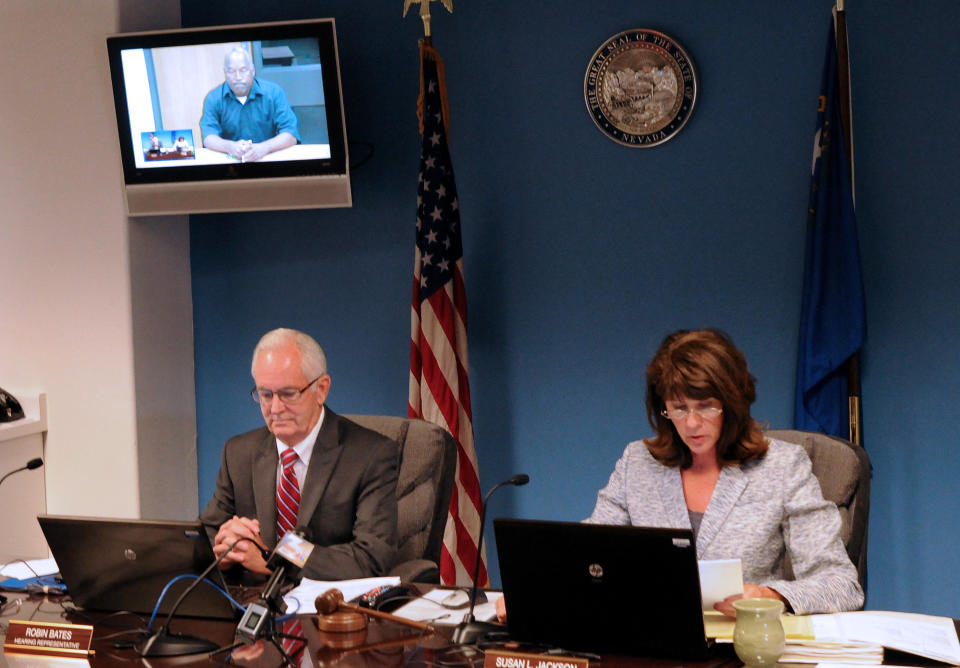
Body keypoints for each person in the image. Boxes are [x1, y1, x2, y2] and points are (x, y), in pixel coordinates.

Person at [496, 328, 863, 622]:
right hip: (650, 643)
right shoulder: (638, 463)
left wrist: (772, 596)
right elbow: (588, 554)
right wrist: (535, 594)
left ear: (732, 404)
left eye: (706, 406)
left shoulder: (783, 467)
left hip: (737, 650)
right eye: (679, 407)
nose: (692, 423)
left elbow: (841, 585)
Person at [200, 328, 399, 581]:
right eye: (265, 394)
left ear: (321, 389)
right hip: (252, 607)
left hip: (331, 612)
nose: (275, 408)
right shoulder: (239, 453)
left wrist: (272, 558)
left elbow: (371, 559)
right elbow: (204, 538)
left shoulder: (371, 455)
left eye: (288, 394)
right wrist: (226, 549)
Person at [199, 47, 300, 162]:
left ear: (253, 70)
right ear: (225, 72)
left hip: (268, 160)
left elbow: (290, 134)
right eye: (232, 71)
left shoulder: (274, 93)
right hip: (231, 163)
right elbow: (208, 137)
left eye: (243, 70)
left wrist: (264, 148)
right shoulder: (214, 98)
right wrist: (230, 147)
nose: (238, 77)